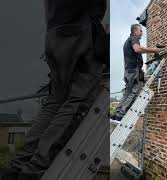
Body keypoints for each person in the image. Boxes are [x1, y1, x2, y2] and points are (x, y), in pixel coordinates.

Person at [0, 0, 108, 180]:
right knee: (76, 101)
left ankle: (17, 167)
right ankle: (34, 170)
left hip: (56, 35)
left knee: (54, 102)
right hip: (79, 32)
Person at [110, 24, 160, 121]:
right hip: (133, 71)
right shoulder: (134, 38)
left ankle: (116, 113)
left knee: (127, 93)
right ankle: (121, 114)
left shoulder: (127, 41)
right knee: (134, 92)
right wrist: (154, 50)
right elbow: (137, 49)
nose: (142, 33)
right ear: (135, 31)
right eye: (140, 31)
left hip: (128, 71)